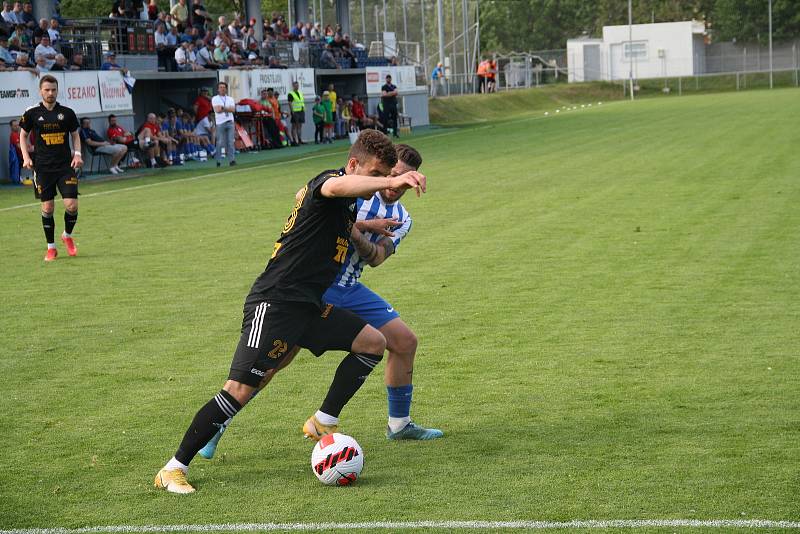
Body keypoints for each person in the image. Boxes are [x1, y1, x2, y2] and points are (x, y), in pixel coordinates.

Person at [153, 130, 426, 494]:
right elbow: (333, 188)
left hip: (309, 305)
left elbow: (352, 233)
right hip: (276, 302)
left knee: (373, 342)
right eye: (375, 175)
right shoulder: (328, 184)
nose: (379, 185)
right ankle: (173, 467)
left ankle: (322, 421)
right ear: (353, 165)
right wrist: (393, 180)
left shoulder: (347, 208)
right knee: (239, 389)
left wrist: (367, 224)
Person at [198, 144, 441, 459]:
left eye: (404, 181)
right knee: (276, 360)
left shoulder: (403, 219)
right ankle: (218, 425)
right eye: (392, 176)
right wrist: (361, 229)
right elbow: (328, 212)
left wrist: (361, 237)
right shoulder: (356, 188)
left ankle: (399, 424)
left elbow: (378, 257)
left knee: (404, 341)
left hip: (351, 287)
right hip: (317, 286)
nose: (396, 186)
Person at [19, 75, 82, 262]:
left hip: (64, 166)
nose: (50, 93)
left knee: (72, 205)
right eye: (47, 90)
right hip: (43, 168)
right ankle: (51, 248)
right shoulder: (31, 113)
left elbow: (75, 135)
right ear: (40, 91)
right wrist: (26, 157)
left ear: (57, 90)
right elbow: (23, 136)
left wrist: (77, 154)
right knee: (48, 207)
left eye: (53, 89)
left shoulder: (67, 113)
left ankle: (67, 235)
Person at [211, 80, 235, 167]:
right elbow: (217, 110)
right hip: (220, 122)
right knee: (219, 142)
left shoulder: (230, 99)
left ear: (226, 89)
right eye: (221, 87)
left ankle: (232, 160)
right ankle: (218, 161)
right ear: (218, 89)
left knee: (230, 142)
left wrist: (223, 108)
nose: (222, 89)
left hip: (230, 121)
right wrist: (226, 108)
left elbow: (233, 110)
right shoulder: (215, 98)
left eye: (224, 87)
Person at [287, 80, 304, 146]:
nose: (297, 87)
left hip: (301, 111)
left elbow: (301, 101)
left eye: (298, 85)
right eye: (295, 85)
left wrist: (303, 109)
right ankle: (294, 140)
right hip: (295, 112)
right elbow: (290, 103)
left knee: (300, 126)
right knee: (294, 126)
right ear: (293, 86)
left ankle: (299, 139)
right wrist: (292, 111)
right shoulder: (290, 94)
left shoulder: (300, 93)